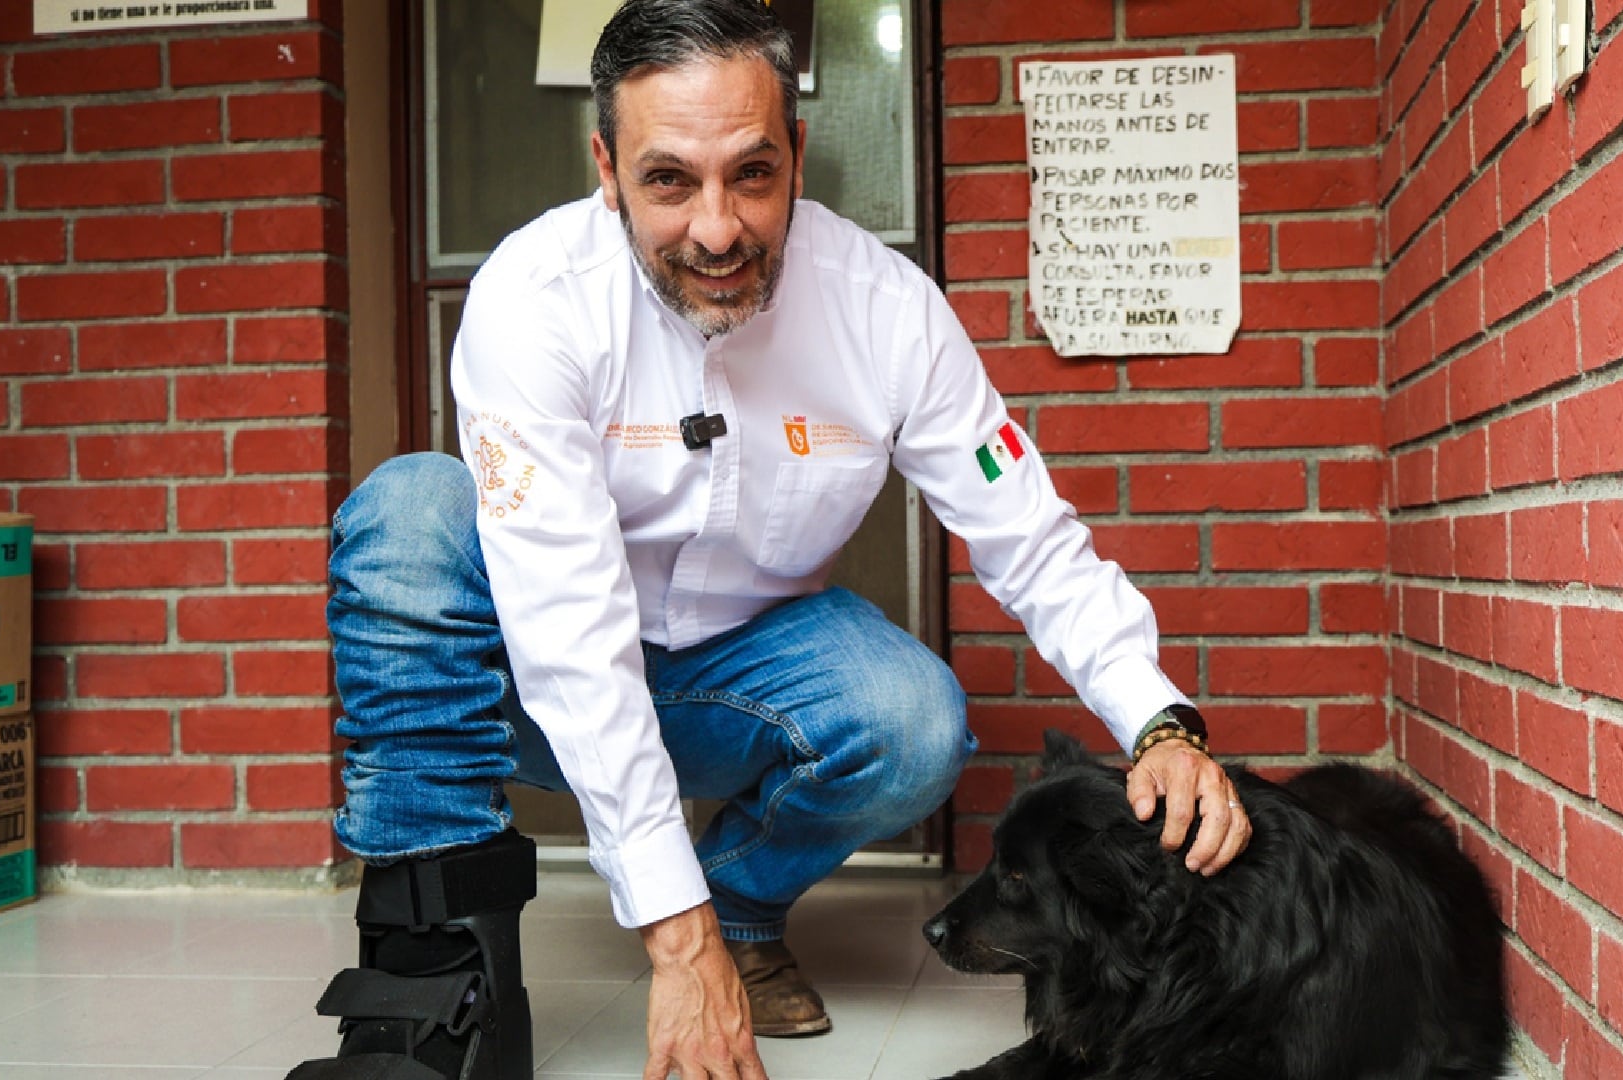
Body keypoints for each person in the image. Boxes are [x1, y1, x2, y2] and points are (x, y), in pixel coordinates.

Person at [287, 2, 1251, 1078]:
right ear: (604, 165)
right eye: (668, 181)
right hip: (527, 683)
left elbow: (1028, 534)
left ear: (798, 150)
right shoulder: (534, 297)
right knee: (411, 511)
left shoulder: (888, 311)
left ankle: (740, 908)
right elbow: (566, 631)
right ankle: (436, 971)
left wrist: (1162, 723)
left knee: (917, 717)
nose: (716, 229)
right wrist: (669, 934)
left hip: (741, 680)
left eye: (751, 173)